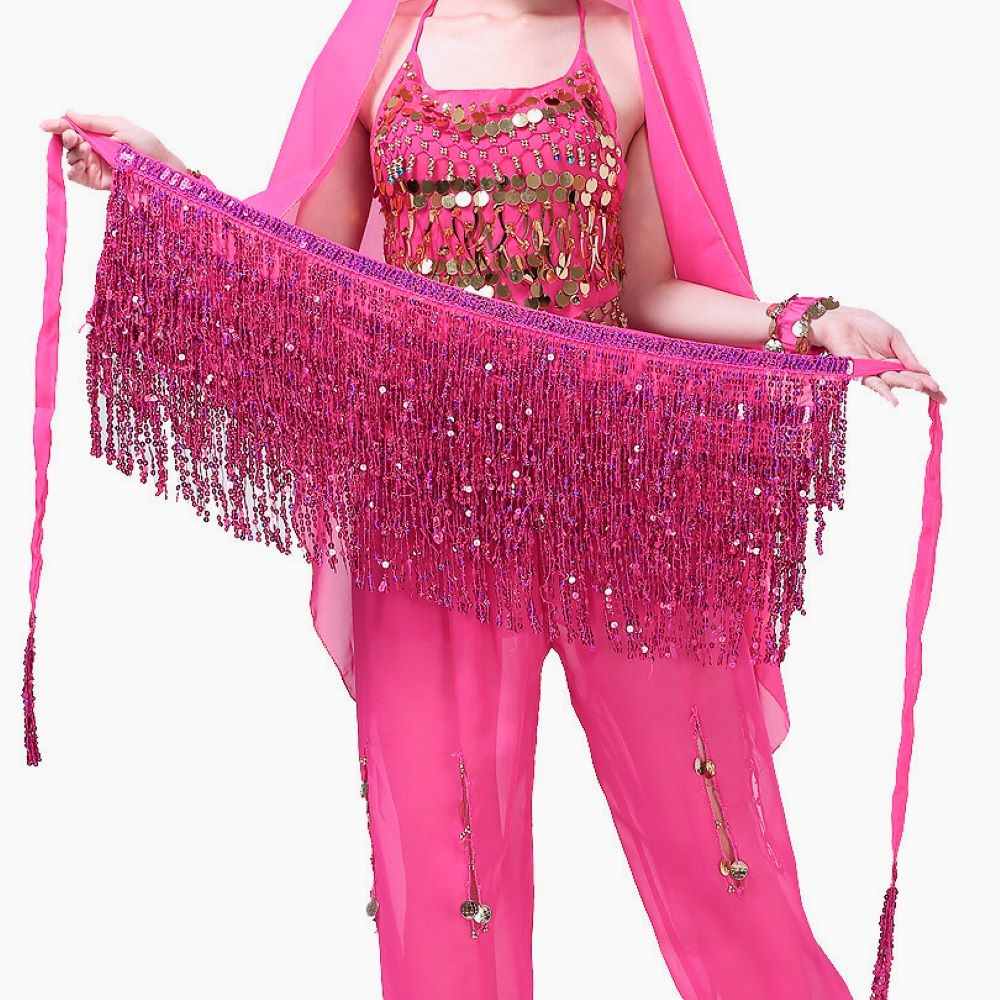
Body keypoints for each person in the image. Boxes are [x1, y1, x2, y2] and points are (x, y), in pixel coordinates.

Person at [39, 2, 944, 998]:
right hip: (427, 509)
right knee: (451, 866)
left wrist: (809, 320)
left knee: (716, 843)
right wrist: (169, 179)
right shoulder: (385, 48)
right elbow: (305, 259)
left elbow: (649, 293)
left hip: (619, 498)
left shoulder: (624, 47)